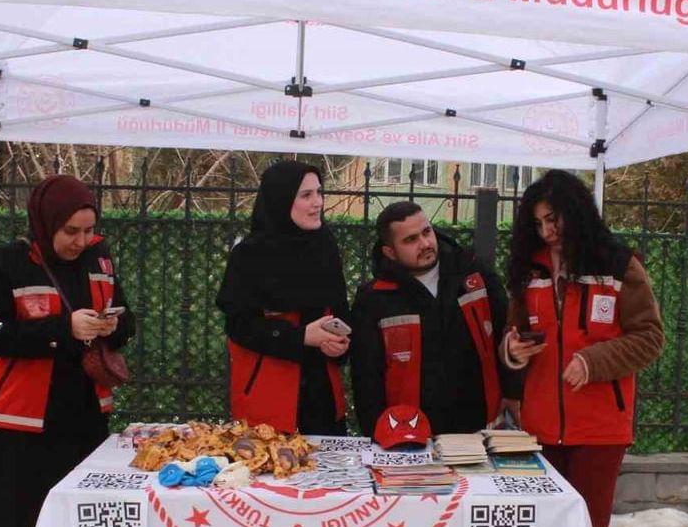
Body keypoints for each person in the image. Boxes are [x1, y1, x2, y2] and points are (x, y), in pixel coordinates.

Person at [0, 175, 135, 527]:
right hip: (21, 421)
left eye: (87, 230)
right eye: (71, 232)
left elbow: (128, 321)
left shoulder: (99, 262)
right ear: (45, 223)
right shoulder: (4, 263)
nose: (80, 241)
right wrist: (65, 327)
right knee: (15, 522)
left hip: (84, 413)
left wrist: (109, 326)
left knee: (83, 516)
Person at [501, 170, 663, 527]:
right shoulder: (528, 268)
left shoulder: (618, 265)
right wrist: (513, 351)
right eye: (537, 223)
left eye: (553, 218)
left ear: (577, 211)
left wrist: (594, 362)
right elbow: (512, 333)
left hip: (600, 430)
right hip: (538, 428)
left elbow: (650, 337)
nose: (547, 230)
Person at [351, 201, 510, 435]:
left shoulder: (475, 276)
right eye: (410, 240)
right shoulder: (374, 300)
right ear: (390, 252)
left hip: (479, 431)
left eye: (427, 232)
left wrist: (513, 393)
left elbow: (507, 338)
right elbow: (366, 381)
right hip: (408, 436)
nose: (425, 244)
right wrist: (378, 435)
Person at [216, 160, 350, 435]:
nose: (318, 202)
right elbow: (240, 326)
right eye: (306, 195)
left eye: (319, 192)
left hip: (321, 395)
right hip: (268, 396)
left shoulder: (325, 245)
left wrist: (341, 344)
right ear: (281, 199)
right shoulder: (249, 255)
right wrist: (299, 337)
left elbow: (340, 312)